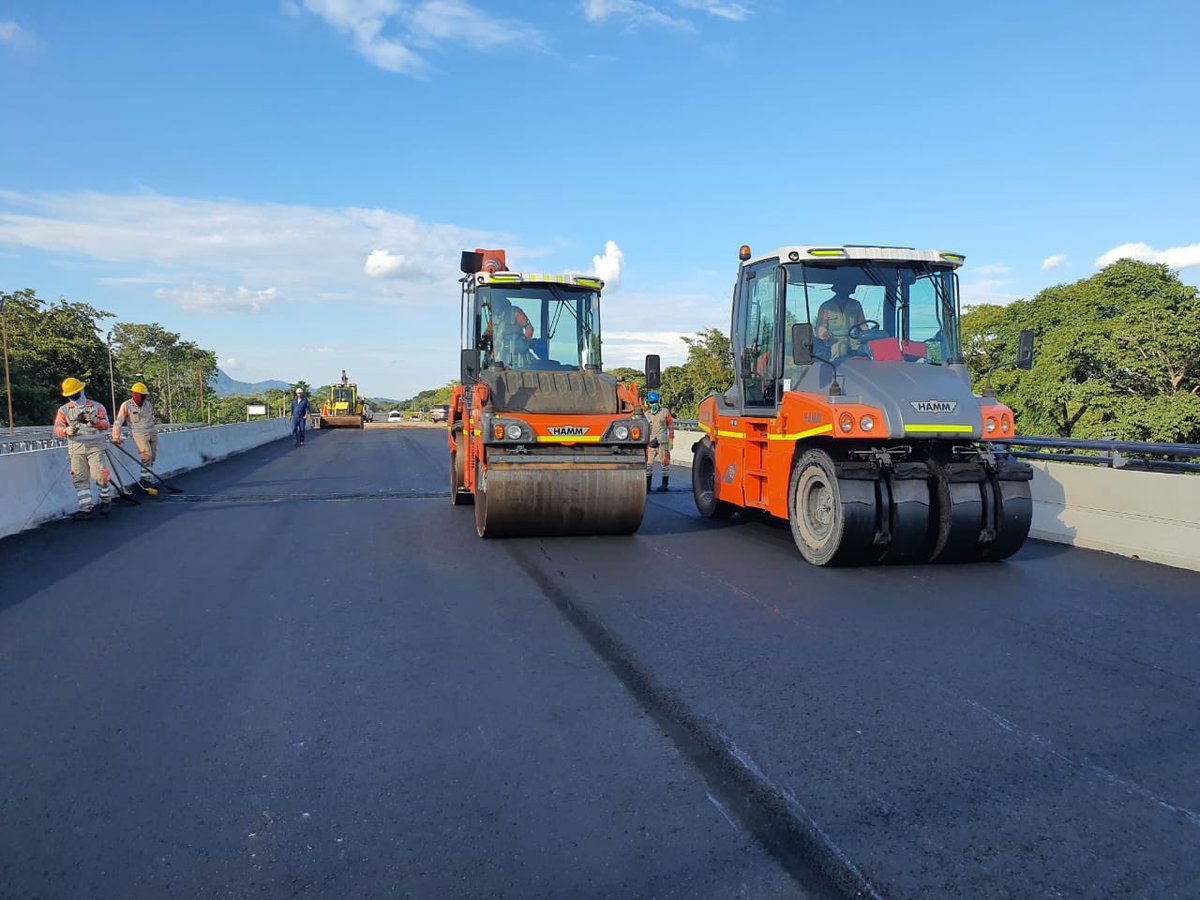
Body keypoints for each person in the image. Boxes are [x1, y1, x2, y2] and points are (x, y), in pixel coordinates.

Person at [52, 377, 115, 520]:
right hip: (76, 449)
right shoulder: (64, 410)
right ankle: (86, 508)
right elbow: (57, 427)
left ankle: (106, 501)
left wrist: (95, 421)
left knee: (100, 475)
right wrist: (66, 430)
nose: (73, 397)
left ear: (81, 391)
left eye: (75, 394)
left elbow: (106, 425)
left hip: (95, 447)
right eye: (71, 395)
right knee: (79, 478)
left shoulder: (96, 406)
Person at [111, 381, 158, 490]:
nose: (143, 397)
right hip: (139, 434)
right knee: (147, 456)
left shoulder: (148, 404)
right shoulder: (127, 405)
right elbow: (118, 421)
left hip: (152, 432)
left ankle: (148, 478)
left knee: (153, 457)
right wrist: (116, 436)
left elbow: (151, 418)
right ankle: (145, 480)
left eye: (144, 395)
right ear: (135, 394)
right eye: (141, 395)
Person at [814, 284, 867, 360]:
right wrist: (825, 333)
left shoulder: (856, 305)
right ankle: (835, 369)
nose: (844, 290)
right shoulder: (826, 306)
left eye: (847, 288)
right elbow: (821, 327)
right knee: (840, 348)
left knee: (866, 350)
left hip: (855, 339)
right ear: (836, 289)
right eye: (842, 288)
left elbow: (862, 324)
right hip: (835, 340)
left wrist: (868, 335)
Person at [486, 295, 534, 367]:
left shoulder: (514, 312)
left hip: (517, 354)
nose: (494, 306)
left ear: (502, 303)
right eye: (493, 304)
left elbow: (529, 327)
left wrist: (525, 342)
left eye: (496, 304)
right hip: (499, 356)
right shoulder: (493, 317)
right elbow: (488, 333)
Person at [644, 390, 674, 492]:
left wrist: (671, 440)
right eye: (652, 402)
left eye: (655, 402)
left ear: (659, 401)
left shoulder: (665, 412)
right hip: (651, 443)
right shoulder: (646, 415)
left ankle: (664, 485)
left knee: (665, 464)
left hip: (662, 442)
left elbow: (671, 426)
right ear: (647, 403)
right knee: (648, 465)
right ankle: (647, 487)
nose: (654, 404)